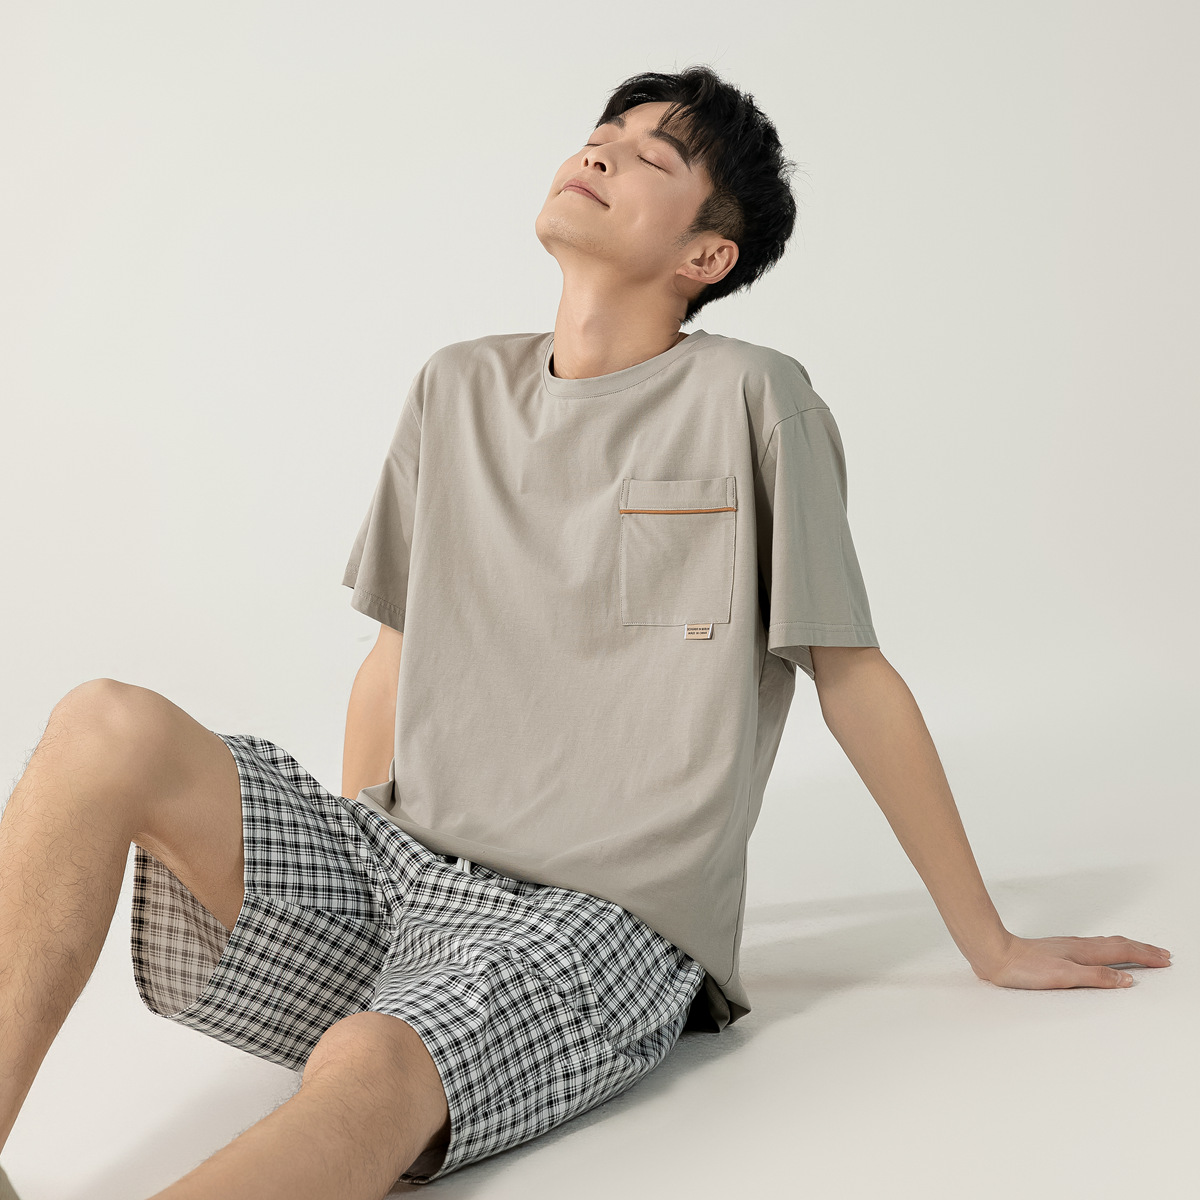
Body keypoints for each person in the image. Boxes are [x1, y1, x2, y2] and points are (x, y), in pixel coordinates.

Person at [0, 65, 1172, 1199]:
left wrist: (988, 941)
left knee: (371, 1059)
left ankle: (389, 1047)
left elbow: (851, 675)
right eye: (600, 138)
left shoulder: (756, 399)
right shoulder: (454, 386)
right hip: (398, 869)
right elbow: (394, 659)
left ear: (706, 257)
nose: (601, 155)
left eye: (650, 158)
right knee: (104, 725)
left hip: (602, 923)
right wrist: (362, 874)